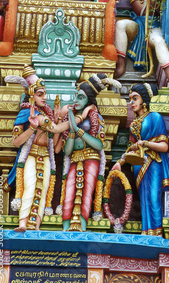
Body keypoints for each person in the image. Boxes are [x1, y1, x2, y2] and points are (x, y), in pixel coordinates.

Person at [55, 73, 120, 231]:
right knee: (69, 192)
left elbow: (98, 145)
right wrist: (71, 131)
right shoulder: (71, 118)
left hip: (92, 157)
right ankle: (65, 228)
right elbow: (67, 151)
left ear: (89, 100)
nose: (76, 101)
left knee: (87, 193)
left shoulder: (95, 118)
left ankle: (82, 228)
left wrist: (79, 131)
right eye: (76, 97)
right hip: (75, 158)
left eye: (81, 97)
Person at [112, 83, 169, 235]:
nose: (131, 102)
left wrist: (144, 143)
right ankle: (147, 231)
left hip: (153, 163)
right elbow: (129, 149)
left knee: (154, 197)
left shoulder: (155, 117)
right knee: (144, 199)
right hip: (138, 165)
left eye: (135, 98)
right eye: (130, 99)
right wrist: (119, 162)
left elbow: (164, 147)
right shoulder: (134, 124)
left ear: (144, 101)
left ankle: (158, 232)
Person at [4, 66, 58, 231]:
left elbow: (56, 146)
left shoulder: (47, 116)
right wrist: (32, 128)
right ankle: (22, 223)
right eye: (40, 94)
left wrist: (58, 121)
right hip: (30, 155)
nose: (44, 97)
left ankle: (36, 226)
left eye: (45, 94)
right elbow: (16, 142)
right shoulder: (26, 113)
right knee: (30, 185)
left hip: (47, 156)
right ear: (32, 95)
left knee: (43, 188)